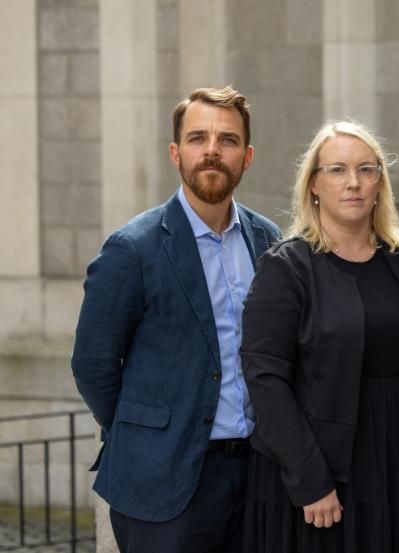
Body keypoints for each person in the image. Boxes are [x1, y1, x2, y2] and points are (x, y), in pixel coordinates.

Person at [71, 86, 281, 552]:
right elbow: (92, 365)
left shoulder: (268, 240)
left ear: (246, 157)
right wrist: (148, 433)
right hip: (162, 484)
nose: (212, 150)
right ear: (175, 152)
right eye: (197, 138)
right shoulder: (132, 249)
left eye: (227, 140)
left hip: (255, 478)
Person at [240, 120, 399, 553]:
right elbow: (265, 379)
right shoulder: (286, 267)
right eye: (337, 170)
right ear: (314, 184)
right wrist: (309, 479)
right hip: (328, 475)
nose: (353, 182)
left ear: (380, 182)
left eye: (366, 170)